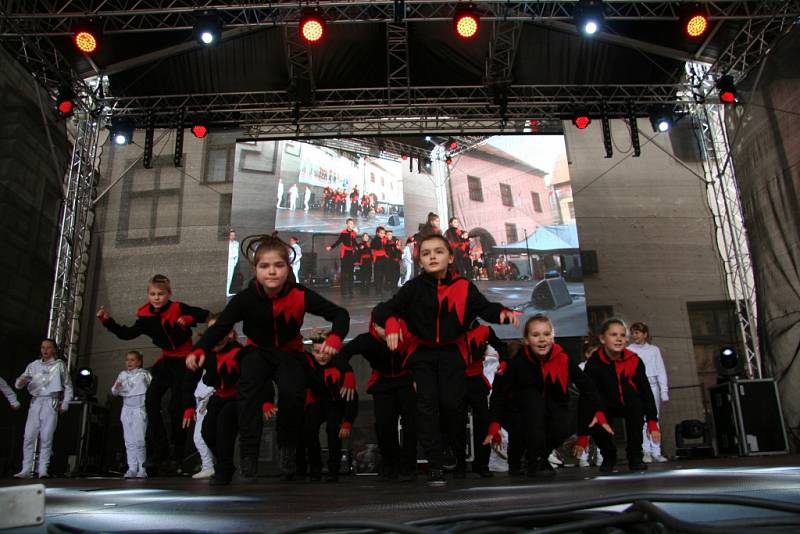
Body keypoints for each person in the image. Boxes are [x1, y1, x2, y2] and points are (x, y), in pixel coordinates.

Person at [186, 233, 349, 481]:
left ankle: (287, 447)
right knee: (249, 388)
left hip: (289, 351)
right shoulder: (245, 299)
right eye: (265, 266)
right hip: (257, 351)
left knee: (292, 392)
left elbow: (340, 315)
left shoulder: (300, 294)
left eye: (278, 265)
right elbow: (220, 327)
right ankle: (249, 452)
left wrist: (335, 338)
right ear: (255, 269)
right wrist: (200, 349)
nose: (271, 272)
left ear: (287, 267)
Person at [372, 233, 519, 486]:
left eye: (438, 251)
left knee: (452, 405)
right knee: (427, 405)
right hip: (423, 354)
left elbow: (485, 309)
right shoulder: (413, 288)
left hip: (452, 353)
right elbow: (383, 310)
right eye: (426, 253)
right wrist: (392, 322)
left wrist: (503, 312)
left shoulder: (464, 286)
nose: (432, 256)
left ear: (450, 257)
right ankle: (435, 462)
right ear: (420, 261)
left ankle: (452, 448)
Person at [96, 274, 209, 473]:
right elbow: (127, 334)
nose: (156, 298)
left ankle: (178, 451)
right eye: (152, 294)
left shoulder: (177, 308)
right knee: (151, 401)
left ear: (169, 294)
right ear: (148, 295)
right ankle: (160, 448)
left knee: (177, 407)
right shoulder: (146, 317)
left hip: (184, 359)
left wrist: (189, 318)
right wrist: (107, 321)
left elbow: (206, 315)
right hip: (167, 360)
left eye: (161, 294)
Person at [484, 315, 610, 478]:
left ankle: (539, 456)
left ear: (552, 337)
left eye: (546, 334)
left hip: (553, 408)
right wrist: (494, 423)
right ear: (527, 340)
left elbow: (587, 385)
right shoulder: (517, 363)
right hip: (519, 410)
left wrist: (599, 411)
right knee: (531, 416)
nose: (542, 339)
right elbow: (499, 392)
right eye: (536, 335)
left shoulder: (563, 359)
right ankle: (526, 460)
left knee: (559, 429)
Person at [575, 318, 660, 473]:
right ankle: (609, 455)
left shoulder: (634, 360)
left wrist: (653, 421)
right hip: (604, 404)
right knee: (596, 421)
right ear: (602, 339)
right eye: (613, 335)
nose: (619, 338)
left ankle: (635, 456)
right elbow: (586, 397)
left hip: (629, 402)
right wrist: (583, 434)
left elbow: (645, 391)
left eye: (622, 335)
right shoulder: (593, 364)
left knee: (636, 410)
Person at [337, 319, 417, 481]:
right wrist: (347, 373)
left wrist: (419, 375)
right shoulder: (367, 340)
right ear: (374, 327)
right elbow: (342, 354)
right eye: (381, 327)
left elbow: (423, 350)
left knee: (411, 425)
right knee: (384, 425)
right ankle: (390, 464)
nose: (386, 331)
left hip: (407, 381)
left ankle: (408, 466)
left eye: (388, 327)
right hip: (383, 383)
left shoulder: (407, 335)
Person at [302, 333, 358, 482]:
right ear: (312, 351)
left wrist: (348, 421)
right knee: (309, 429)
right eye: (317, 352)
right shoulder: (308, 365)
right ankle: (315, 468)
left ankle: (334, 470)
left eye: (326, 352)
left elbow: (352, 397)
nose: (322, 356)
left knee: (333, 429)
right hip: (317, 402)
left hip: (335, 403)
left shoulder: (340, 367)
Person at [14, 339, 73, 478]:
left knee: (46, 437)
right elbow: (18, 383)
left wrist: (65, 403)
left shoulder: (59, 365)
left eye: (48, 347)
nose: (45, 350)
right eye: (43, 347)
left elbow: (68, 385)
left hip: (50, 402)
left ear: (54, 349)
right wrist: (21, 382)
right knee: (29, 436)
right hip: (35, 402)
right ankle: (26, 469)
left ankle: (43, 469)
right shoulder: (33, 365)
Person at [457, 323, 508, 478]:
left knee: (484, 421)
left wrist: (504, 361)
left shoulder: (484, 330)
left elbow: (501, 346)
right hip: (455, 381)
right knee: (456, 422)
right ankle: (459, 464)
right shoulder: (450, 327)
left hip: (476, 380)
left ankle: (482, 464)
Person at [628, 322, 669, 463]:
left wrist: (664, 391)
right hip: (637, 388)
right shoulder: (629, 350)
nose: (635, 335)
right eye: (633, 333)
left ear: (645, 334)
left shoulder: (654, 350)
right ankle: (646, 451)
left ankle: (656, 451)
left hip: (652, 386)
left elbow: (661, 370)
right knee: (641, 419)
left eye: (637, 332)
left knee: (653, 418)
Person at [110, 350, 152, 478]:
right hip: (126, 410)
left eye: (132, 360)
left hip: (139, 409)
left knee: (139, 440)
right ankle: (132, 467)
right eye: (127, 359)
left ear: (139, 362)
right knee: (129, 441)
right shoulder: (122, 374)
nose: (129, 362)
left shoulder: (144, 374)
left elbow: (152, 390)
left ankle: (142, 468)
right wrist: (117, 387)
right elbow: (114, 392)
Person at [326, 219, 358, 298]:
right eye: (350, 223)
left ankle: (351, 291)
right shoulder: (343, 233)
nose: (351, 225)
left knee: (351, 273)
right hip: (345, 254)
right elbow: (338, 241)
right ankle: (343, 292)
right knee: (344, 274)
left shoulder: (354, 233)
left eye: (352, 223)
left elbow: (354, 243)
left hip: (351, 254)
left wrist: (358, 246)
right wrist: (331, 247)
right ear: (347, 224)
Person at [371, 227, 390, 297]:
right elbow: (377, 247)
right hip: (378, 259)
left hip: (384, 258)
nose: (383, 234)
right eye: (381, 233)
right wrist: (383, 241)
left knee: (383, 275)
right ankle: (377, 291)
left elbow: (387, 248)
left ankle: (382, 289)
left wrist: (386, 241)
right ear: (377, 233)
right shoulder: (374, 240)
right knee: (378, 275)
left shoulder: (385, 240)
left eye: (384, 233)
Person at [227, 229, 241, 297]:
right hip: (227, 260)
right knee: (226, 276)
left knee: (230, 277)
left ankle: (227, 292)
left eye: (234, 235)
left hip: (232, 261)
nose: (233, 236)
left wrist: (235, 262)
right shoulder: (226, 243)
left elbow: (237, 254)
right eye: (231, 235)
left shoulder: (236, 243)